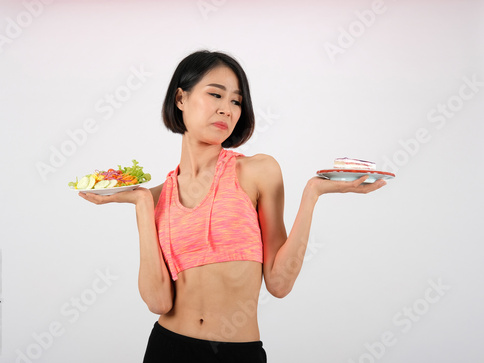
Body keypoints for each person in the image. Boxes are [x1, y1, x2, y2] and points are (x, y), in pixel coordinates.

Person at [79, 50, 386, 362]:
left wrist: (312, 194)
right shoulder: (156, 197)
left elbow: (279, 284)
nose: (226, 110)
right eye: (215, 95)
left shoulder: (257, 171)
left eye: (236, 101)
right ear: (181, 99)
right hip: (167, 348)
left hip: (238, 354)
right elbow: (158, 302)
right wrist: (142, 204)